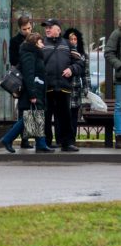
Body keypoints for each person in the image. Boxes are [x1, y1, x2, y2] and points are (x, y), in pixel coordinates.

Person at [0, 32, 55, 153]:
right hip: (32, 91)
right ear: (35, 42)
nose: (43, 44)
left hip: (36, 89)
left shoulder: (34, 54)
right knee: (29, 118)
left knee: (36, 116)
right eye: (40, 41)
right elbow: (29, 75)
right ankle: (7, 139)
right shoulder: (29, 54)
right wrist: (32, 94)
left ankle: (41, 144)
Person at [41, 19, 82, 152]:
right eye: (45, 27)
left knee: (65, 117)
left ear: (58, 29)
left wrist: (72, 69)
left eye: (49, 27)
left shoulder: (68, 44)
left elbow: (80, 63)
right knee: (46, 117)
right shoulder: (41, 44)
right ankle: (45, 143)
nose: (47, 29)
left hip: (64, 87)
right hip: (46, 88)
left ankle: (67, 143)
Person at [9, 16, 34, 149]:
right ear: (20, 28)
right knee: (23, 109)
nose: (27, 31)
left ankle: (28, 137)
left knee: (32, 109)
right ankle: (23, 139)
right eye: (24, 29)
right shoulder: (15, 41)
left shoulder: (35, 38)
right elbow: (13, 60)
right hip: (22, 77)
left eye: (29, 28)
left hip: (32, 76)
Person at [64, 27, 90, 140]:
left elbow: (86, 74)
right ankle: (62, 139)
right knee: (63, 115)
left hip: (75, 89)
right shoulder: (63, 53)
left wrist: (86, 88)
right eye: (71, 39)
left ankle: (72, 139)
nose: (73, 41)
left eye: (75, 39)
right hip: (63, 88)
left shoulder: (83, 56)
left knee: (74, 115)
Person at [106, 18, 121, 148]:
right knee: (119, 107)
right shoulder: (117, 33)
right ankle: (119, 137)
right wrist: (119, 65)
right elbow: (108, 53)